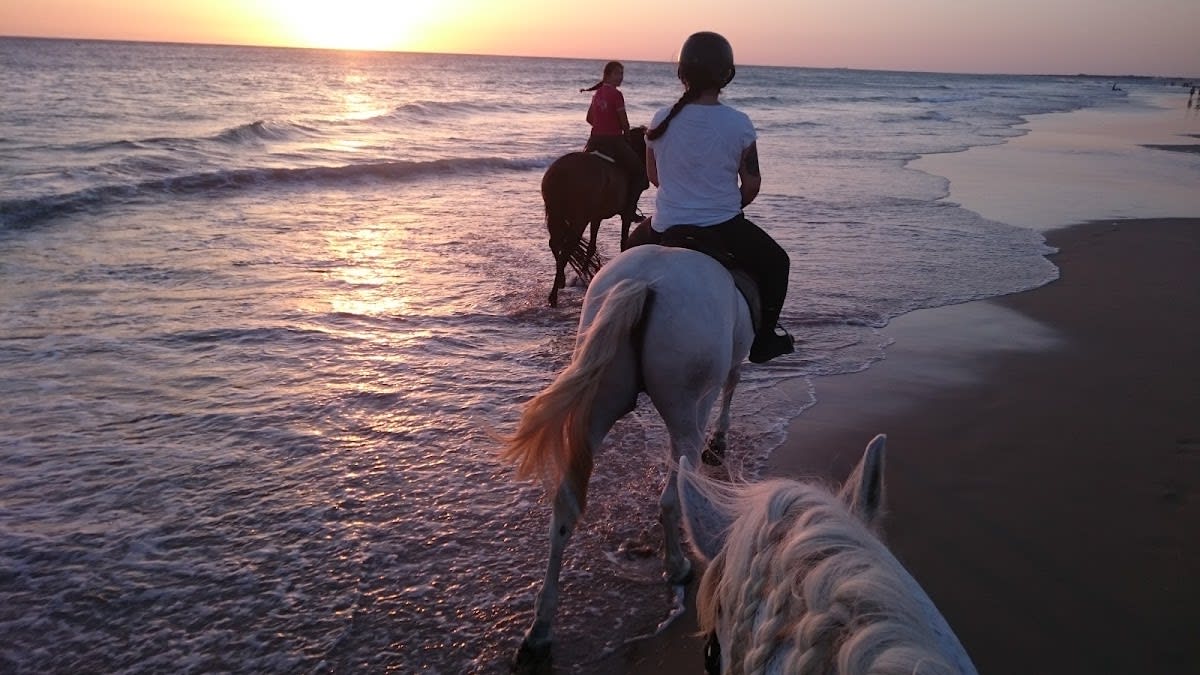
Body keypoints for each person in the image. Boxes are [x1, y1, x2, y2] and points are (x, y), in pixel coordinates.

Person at [636, 31, 793, 363]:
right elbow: (751, 185)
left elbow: (653, 178)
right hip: (723, 226)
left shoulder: (661, 118)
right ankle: (765, 340)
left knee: (626, 260)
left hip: (664, 227)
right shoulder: (738, 123)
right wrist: (722, 203)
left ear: (682, 73)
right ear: (726, 75)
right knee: (778, 263)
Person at [581, 61, 648, 222]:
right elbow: (624, 123)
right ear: (607, 75)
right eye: (617, 73)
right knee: (639, 173)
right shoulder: (617, 95)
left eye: (622, 74)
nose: (620, 77)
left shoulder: (596, 94)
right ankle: (630, 210)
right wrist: (625, 135)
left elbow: (589, 118)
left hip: (594, 141)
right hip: (613, 142)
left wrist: (601, 125)